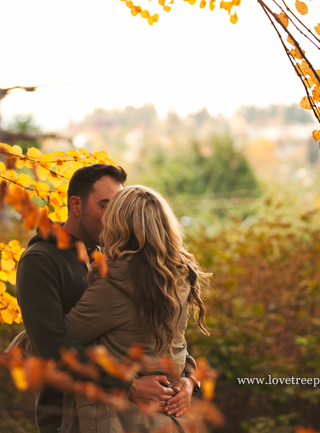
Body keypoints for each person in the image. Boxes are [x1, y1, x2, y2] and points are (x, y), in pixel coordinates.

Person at [14, 164, 198, 433]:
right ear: (75, 205)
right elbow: (52, 346)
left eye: (117, 207)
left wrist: (189, 379)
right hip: (66, 416)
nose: (113, 217)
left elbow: (161, 332)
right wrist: (129, 385)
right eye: (105, 206)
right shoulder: (41, 261)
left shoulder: (118, 261)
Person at [61, 185, 210, 432]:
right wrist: (190, 381)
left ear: (118, 226)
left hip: (123, 421)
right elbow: (173, 347)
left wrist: (21, 340)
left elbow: (58, 344)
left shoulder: (113, 286)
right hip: (173, 421)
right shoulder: (178, 278)